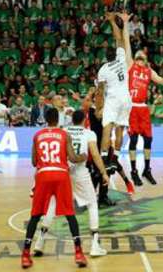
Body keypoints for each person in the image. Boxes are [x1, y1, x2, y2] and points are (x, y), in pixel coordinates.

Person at [34, 110, 110, 257]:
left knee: (53, 204)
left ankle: (40, 241)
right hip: (80, 170)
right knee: (92, 204)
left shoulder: (63, 130)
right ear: (84, 120)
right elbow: (94, 154)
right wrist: (103, 173)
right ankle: (95, 245)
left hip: (63, 170)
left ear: (71, 120)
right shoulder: (89, 133)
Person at [21, 108, 88, 269]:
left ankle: (25, 255)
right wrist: (83, 157)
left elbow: (33, 161)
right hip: (60, 175)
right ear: (58, 119)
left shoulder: (37, 135)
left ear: (45, 119)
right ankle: (78, 252)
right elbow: (72, 157)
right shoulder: (64, 134)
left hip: (43, 175)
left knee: (35, 215)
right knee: (70, 214)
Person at [118, 12, 163, 186]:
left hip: (143, 107)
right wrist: (126, 24)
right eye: (137, 57)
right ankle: (134, 171)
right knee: (134, 139)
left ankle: (147, 169)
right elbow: (127, 43)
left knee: (148, 139)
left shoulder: (149, 71)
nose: (139, 59)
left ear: (145, 59)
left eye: (141, 57)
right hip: (132, 107)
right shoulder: (130, 67)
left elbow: (161, 81)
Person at [96, 13, 132, 172]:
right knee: (120, 130)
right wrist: (113, 22)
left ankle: (104, 160)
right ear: (115, 54)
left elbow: (100, 92)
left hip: (113, 99)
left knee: (107, 129)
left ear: (105, 57)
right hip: (126, 98)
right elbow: (119, 38)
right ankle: (115, 159)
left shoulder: (103, 70)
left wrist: (99, 108)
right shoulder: (121, 58)